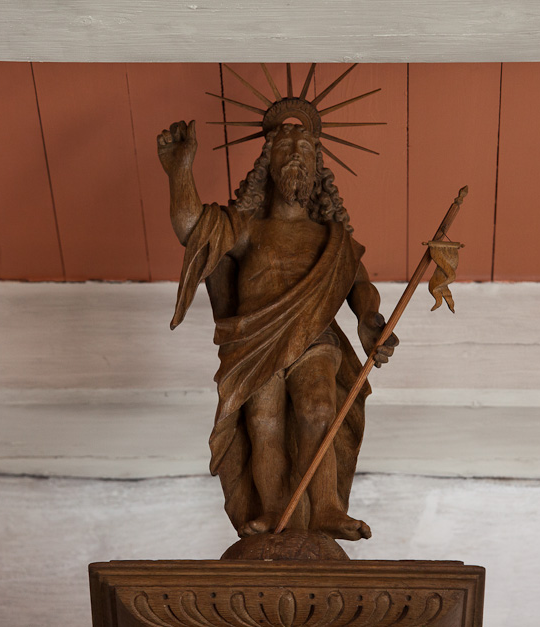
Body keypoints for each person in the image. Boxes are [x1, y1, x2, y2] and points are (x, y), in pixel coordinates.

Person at [158, 120, 396, 541]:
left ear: (318, 168)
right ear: (267, 164)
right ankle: (272, 509)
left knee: (318, 407)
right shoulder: (249, 228)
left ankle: (326, 507)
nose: (295, 156)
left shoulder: (333, 238)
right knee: (263, 421)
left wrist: (368, 321)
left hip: (314, 337)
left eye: (305, 149)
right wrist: (180, 170)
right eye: (285, 148)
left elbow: (359, 285)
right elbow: (193, 228)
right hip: (255, 341)